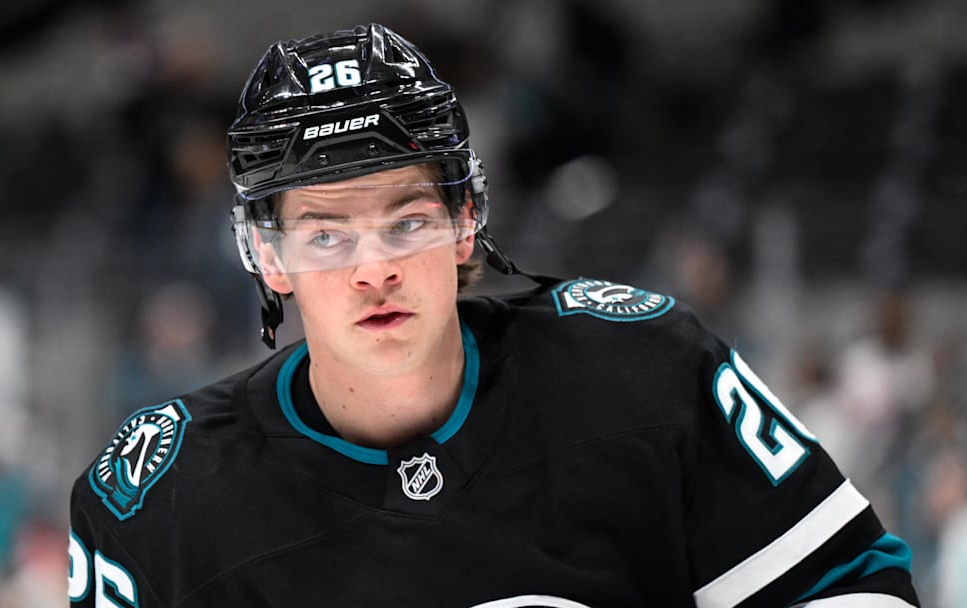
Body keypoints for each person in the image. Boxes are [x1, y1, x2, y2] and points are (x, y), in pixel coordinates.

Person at [67, 23, 919, 607]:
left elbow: (847, 587)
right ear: (268, 256)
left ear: (467, 219)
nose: (374, 270)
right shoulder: (161, 504)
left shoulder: (643, 372)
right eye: (326, 235)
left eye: (408, 221)